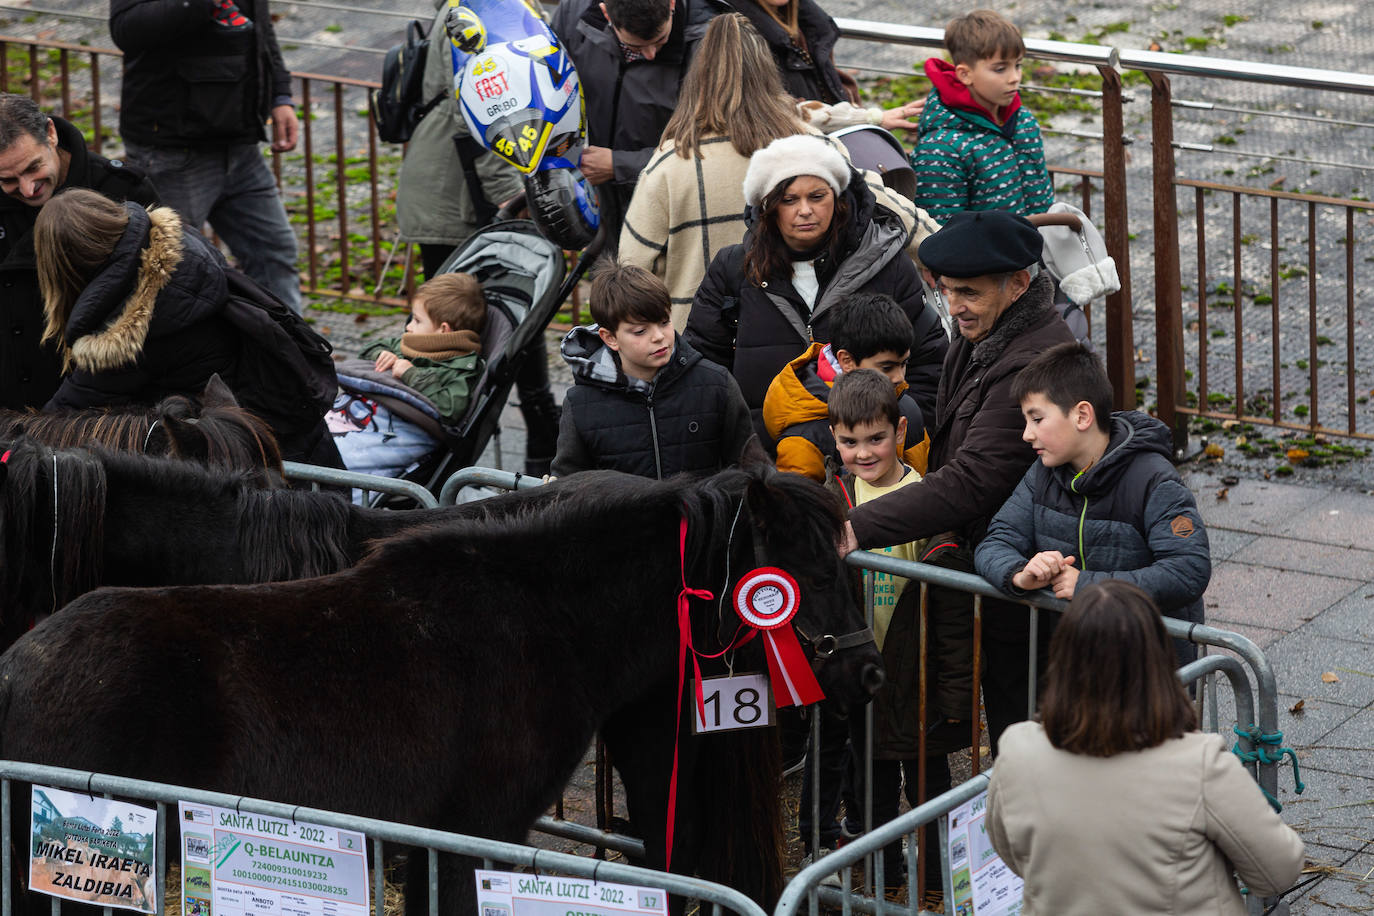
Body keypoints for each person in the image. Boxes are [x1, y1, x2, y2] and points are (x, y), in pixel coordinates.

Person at [841, 209, 1076, 758]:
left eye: (968, 291)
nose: (954, 306)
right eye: (945, 290)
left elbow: (973, 479)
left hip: (1026, 578)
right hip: (994, 563)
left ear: (1019, 283)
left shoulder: (1031, 362)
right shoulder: (985, 334)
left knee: (1028, 738)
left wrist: (855, 525)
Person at [987, 581, 1305, 915]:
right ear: (1157, 660)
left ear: (1062, 660)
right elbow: (1278, 871)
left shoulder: (1018, 750)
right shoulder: (1199, 764)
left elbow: (1011, 850)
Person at [34, 189, 338, 467]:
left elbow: (62, 417)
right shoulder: (180, 247)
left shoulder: (126, 339)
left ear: (63, 269)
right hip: (293, 432)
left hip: (255, 470)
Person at [686, 133, 947, 444]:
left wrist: (907, 433)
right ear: (769, 207)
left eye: (817, 196)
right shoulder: (733, 269)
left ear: (837, 199)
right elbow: (703, 369)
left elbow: (928, 359)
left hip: (873, 459)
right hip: (763, 461)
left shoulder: (886, 262)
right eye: (789, 199)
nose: (805, 210)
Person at [975, 341, 1211, 667]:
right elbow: (996, 540)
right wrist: (1020, 573)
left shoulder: (1153, 480)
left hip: (1149, 673)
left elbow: (1187, 570)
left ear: (1082, 415)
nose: (1027, 434)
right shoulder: (1042, 475)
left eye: (1037, 419)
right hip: (1078, 667)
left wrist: (1087, 586)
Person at [110, 0, 304, 313]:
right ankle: (191, 359)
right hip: (171, 152)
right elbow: (126, 30)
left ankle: (289, 355)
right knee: (173, 274)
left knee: (273, 253)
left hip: (240, 147)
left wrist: (280, 95)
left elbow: (260, 29)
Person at [0, 93, 157, 410]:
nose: (29, 188)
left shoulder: (123, 192)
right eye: (8, 180)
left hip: (99, 407)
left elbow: (154, 309)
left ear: (51, 133)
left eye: (34, 167)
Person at [550, 0, 729, 250]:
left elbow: (717, 145)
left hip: (674, 205)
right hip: (600, 202)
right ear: (606, 14)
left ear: (671, 4)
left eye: (660, 40)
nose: (651, 55)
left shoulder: (709, 38)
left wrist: (620, 165)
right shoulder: (573, 14)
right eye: (635, 47)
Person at [552, 261, 756, 479]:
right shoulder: (581, 404)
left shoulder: (717, 384)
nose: (659, 336)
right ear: (610, 338)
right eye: (640, 331)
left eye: (664, 322)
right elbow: (567, 487)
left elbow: (750, 469)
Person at [763, 292, 929, 482]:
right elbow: (799, 508)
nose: (900, 378)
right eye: (887, 367)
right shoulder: (806, 437)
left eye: (903, 364)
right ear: (846, 361)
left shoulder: (907, 408)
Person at [909, 10, 1054, 223]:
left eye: (1018, 65)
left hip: (1042, 251)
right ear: (965, 74)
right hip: (992, 256)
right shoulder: (939, 151)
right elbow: (940, 238)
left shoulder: (1023, 121)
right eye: (1000, 69)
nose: (1015, 78)